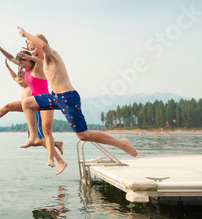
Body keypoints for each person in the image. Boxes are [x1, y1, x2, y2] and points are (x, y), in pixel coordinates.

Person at [17, 27, 138, 175]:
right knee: (27, 103)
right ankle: (34, 136)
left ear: (41, 43)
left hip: (68, 97)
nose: (33, 51)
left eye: (34, 48)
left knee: (83, 135)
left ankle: (122, 143)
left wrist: (26, 35)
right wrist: (30, 54)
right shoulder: (44, 62)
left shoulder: (52, 54)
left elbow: (44, 47)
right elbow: (38, 57)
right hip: (55, 97)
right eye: (31, 49)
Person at [0, 37, 63, 159]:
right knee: (8, 106)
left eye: (22, 63)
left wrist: (33, 49)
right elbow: (12, 58)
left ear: (29, 60)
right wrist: (1, 48)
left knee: (42, 137)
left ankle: (58, 158)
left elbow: (43, 56)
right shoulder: (27, 69)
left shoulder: (39, 67)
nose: (21, 67)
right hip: (31, 102)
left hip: (42, 103)